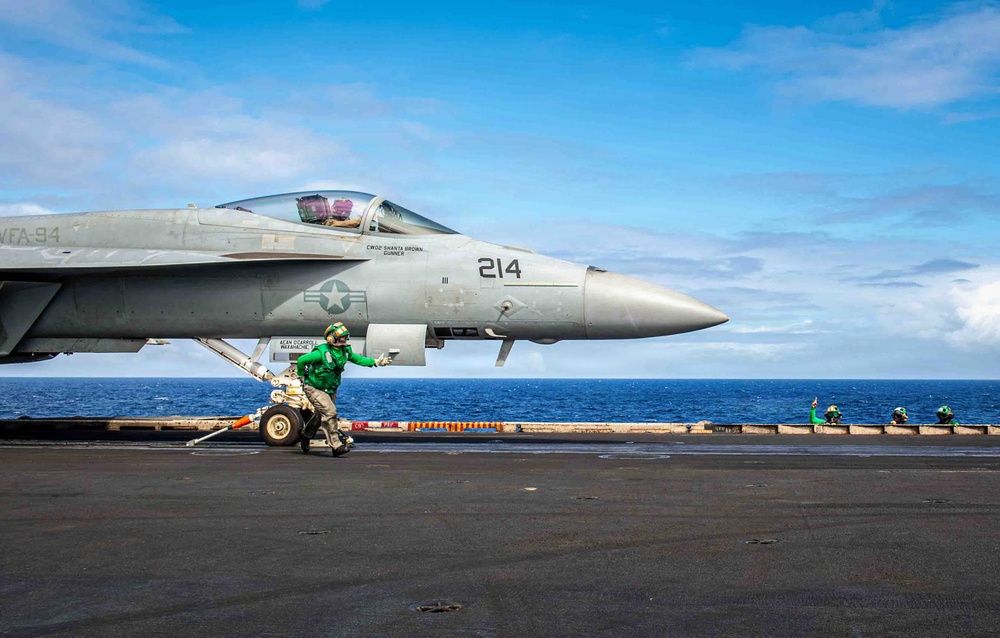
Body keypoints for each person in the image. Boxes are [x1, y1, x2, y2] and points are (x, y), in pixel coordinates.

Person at [295, 322, 391, 454]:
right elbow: (301, 360)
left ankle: (306, 436)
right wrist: (301, 376)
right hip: (314, 388)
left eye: (345, 337)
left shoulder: (345, 351)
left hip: (330, 389)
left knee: (320, 415)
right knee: (330, 413)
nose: (344, 340)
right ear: (331, 338)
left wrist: (375, 362)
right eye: (341, 337)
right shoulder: (320, 353)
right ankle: (336, 446)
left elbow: (358, 359)